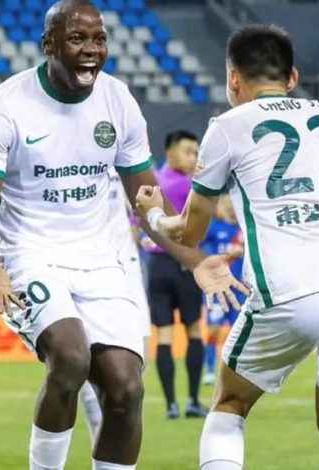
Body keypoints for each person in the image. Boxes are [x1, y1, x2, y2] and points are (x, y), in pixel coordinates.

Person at [0, 1, 246, 468]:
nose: (92, 50)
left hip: (102, 260)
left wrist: (193, 258)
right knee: (71, 357)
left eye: (99, 40)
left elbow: (146, 197)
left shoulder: (117, 100)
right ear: (49, 45)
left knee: (126, 388)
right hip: (29, 254)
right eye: (77, 40)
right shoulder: (3, 107)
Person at [136, 25, 319, 470]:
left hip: (292, 286)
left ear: (233, 79)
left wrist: (153, 214)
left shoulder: (228, 126)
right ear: (292, 77)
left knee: (229, 406)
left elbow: (190, 232)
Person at [78, 167, 152, 444]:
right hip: (85, 268)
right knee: (92, 367)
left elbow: (144, 204)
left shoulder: (120, 158)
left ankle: (112, 453)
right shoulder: (65, 158)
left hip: (127, 269)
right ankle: (104, 450)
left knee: (135, 370)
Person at [139, 130, 209, 419]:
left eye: (196, 152)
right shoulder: (189, 185)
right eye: (189, 152)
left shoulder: (150, 183)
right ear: (171, 154)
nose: (194, 158)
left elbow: (138, 219)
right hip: (183, 264)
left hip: (156, 266)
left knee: (164, 335)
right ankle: (193, 400)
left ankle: (170, 405)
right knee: (193, 330)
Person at [200, 195, 244, 386]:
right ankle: (209, 369)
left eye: (233, 204)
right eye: (227, 204)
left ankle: (237, 370)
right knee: (214, 329)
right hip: (218, 289)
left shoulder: (244, 230)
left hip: (241, 290)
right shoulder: (214, 229)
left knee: (239, 331)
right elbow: (198, 249)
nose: (231, 208)